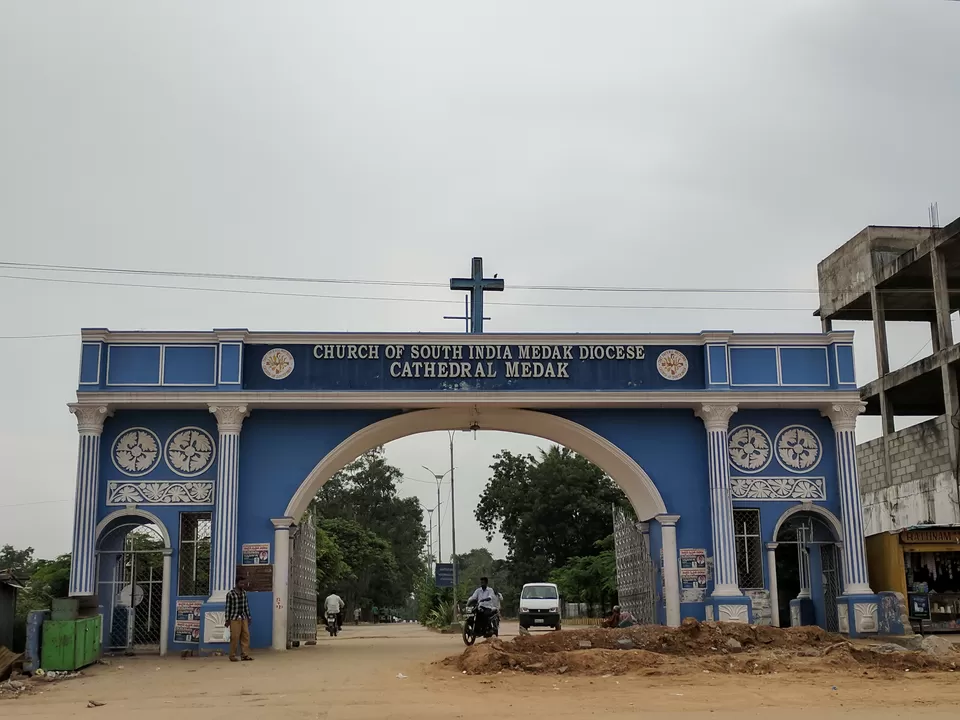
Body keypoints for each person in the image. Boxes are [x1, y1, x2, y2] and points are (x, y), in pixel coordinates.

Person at [224, 576, 253, 662]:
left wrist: (249, 616)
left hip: (243, 617)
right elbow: (227, 607)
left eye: (243, 583)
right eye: (241, 583)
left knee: (246, 635)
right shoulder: (230, 594)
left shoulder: (244, 593)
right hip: (234, 617)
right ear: (237, 583)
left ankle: (244, 655)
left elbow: (246, 606)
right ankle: (232, 655)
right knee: (235, 637)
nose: (242, 585)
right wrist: (227, 620)